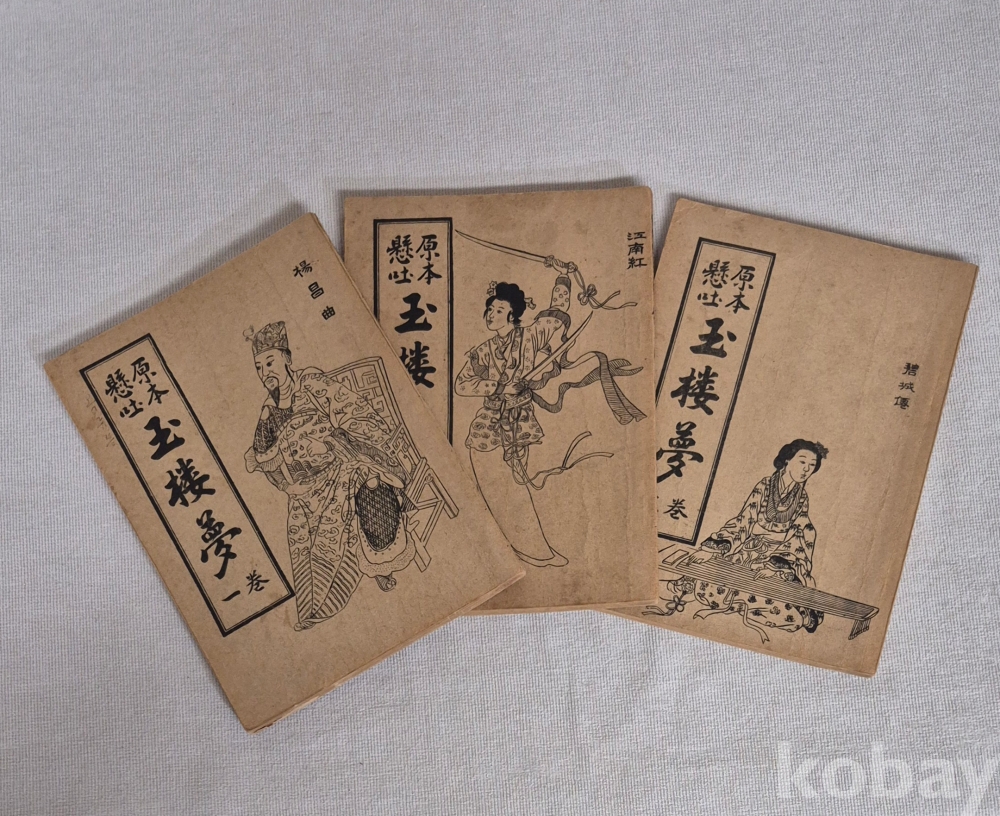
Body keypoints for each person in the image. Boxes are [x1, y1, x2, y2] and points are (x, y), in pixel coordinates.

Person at [454, 271, 644, 568]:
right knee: (491, 485)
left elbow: (557, 314)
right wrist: (499, 387)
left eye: (499, 310)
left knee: (515, 485)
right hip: (488, 425)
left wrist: (563, 279)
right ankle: (507, 551)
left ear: (513, 314)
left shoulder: (532, 334)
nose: (491, 314)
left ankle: (532, 549)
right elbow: (462, 384)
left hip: (519, 421)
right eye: (490, 309)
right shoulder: (482, 351)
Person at [243, 322, 415, 630]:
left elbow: (353, 411)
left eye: (270, 362)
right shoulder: (268, 412)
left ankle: (380, 564)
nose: (265, 371)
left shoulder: (312, 384)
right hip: (306, 487)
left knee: (369, 481)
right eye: (259, 367)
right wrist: (287, 486)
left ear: (287, 358)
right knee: (299, 529)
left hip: (342, 464)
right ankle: (316, 604)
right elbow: (265, 460)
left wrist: (339, 440)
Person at [655, 439, 828, 638]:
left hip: (775, 557)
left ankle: (757, 606)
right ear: (788, 459)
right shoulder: (765, 485)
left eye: (811, 465)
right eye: (802, 461)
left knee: (788, 613)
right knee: (710, 586)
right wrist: (713, 548)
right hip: (747, 551)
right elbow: (744, 520)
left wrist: (777, 566)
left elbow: (800, 534)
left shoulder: (802, 497)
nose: (806, 469)